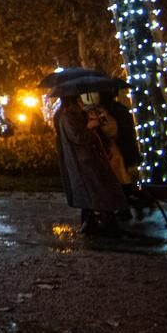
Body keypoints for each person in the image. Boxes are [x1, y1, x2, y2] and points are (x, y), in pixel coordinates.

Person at [53, 93, 128, 234]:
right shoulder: (68, 116)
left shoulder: (72, 114)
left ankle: (92, 222)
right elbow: (78, 136)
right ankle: (104, 223)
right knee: (101, 190)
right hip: (85, 160)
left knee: (96, 192)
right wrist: (92, 128)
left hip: (86, 158)